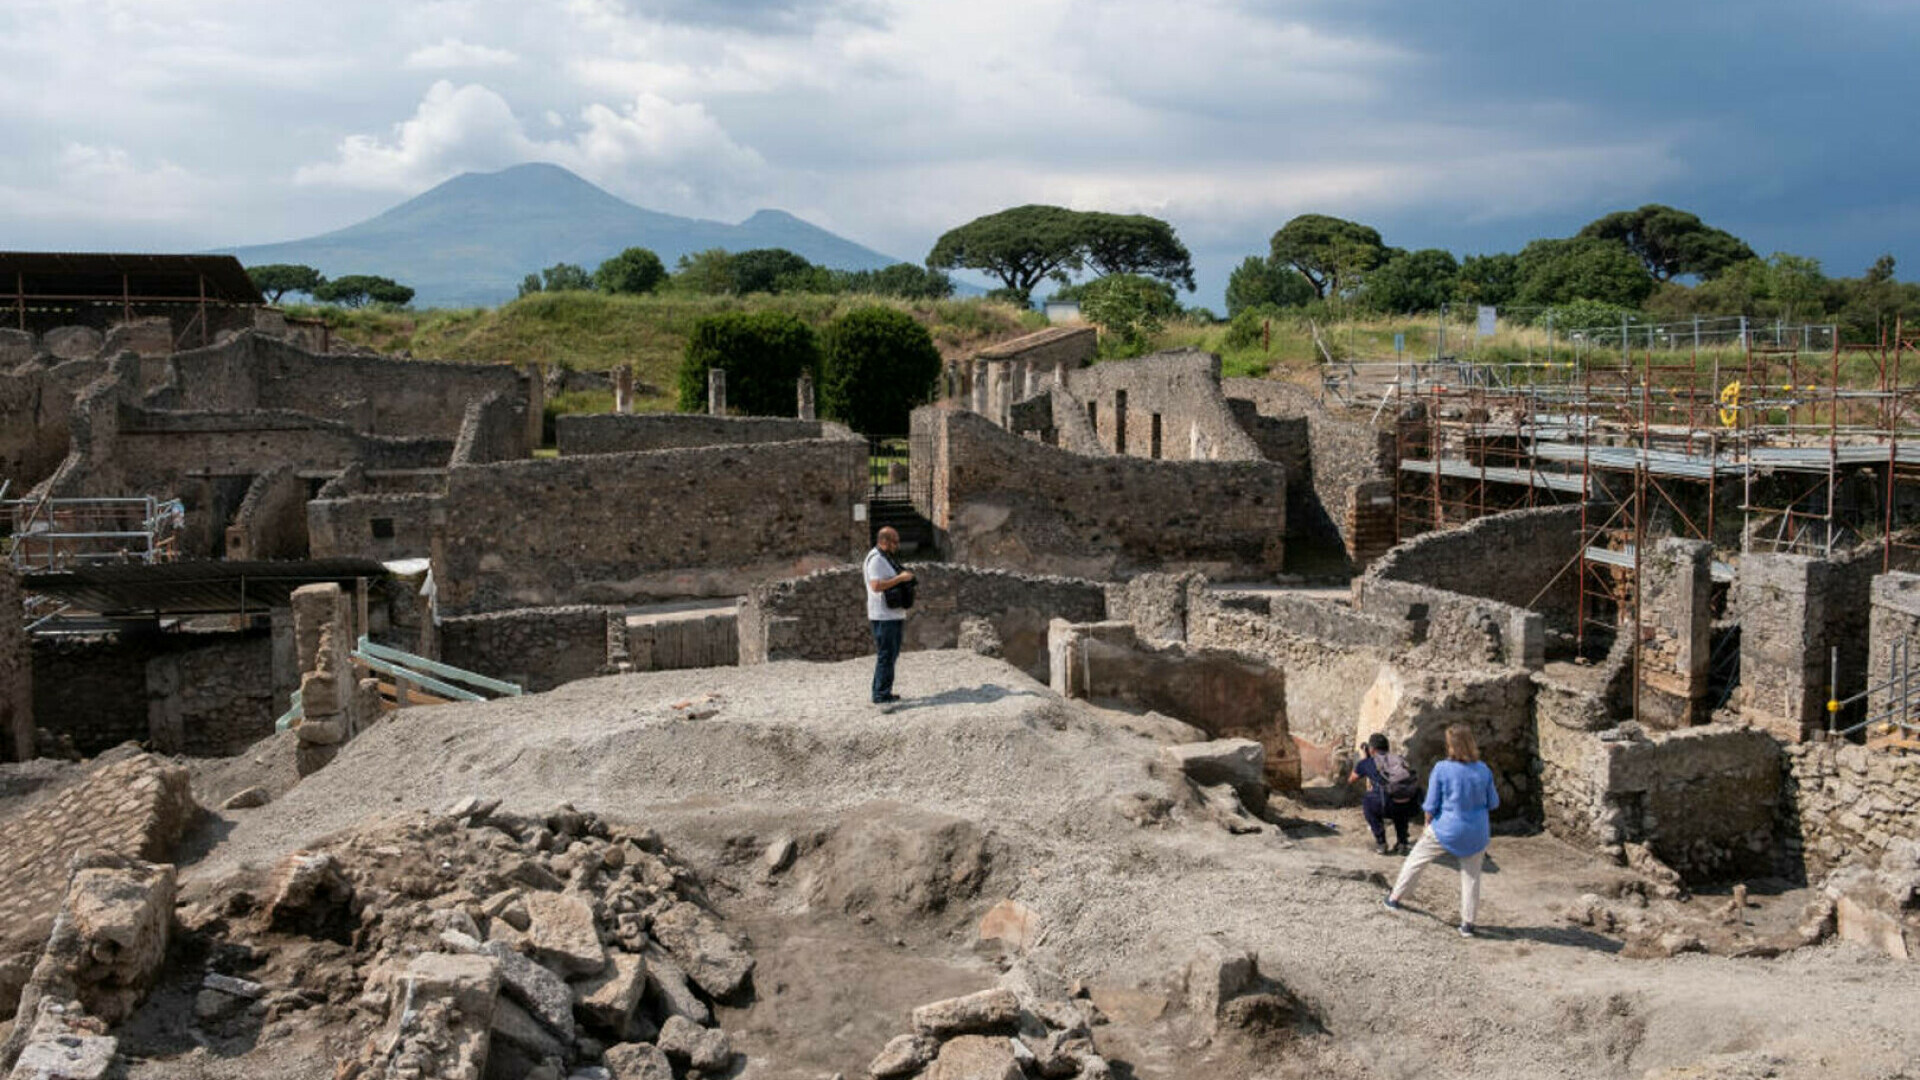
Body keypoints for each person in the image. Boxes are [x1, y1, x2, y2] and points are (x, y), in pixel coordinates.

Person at [1384, 723, 1499, 938]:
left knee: (1416, 860)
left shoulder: (1442, 769)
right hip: (1477, 831)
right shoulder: (1484, 770)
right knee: (1472, 878)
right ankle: (1468, 924)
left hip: (1447, 827)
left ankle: (1395, 898)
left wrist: (1429, 824)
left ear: (1451, 746)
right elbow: (1493, 802)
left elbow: (1431, 804)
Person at [864, 526, 914, 705]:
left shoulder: (885, 558)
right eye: (894, 541)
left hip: (891, 615)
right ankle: (880, 694)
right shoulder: (876, 559)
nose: (897, 545)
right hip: (884, 616)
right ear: (884, 541)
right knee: (886, 655)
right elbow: (876, 586)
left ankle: (884, 691)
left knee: (890, 655)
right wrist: (900, 579)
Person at [1349, 732, 1419, 855]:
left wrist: (1364, 760)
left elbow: (1351, 780)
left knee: (1368, 801)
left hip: (1385, 804)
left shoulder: (1368, 762)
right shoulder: (1399, 759)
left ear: (1371, 749)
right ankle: (1402, 843)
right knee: (1399, 804)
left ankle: (1381, 843)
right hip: (1410, 804)